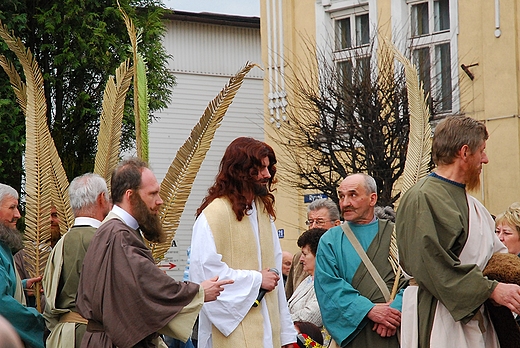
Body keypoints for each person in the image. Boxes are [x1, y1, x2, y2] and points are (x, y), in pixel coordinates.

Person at [76, 158, 232, 347]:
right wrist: (198, 292)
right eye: (153, 194)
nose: (160, 201)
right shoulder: (118, 235)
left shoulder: (115, 230)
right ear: (130, 195)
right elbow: (147, 287)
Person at [396, 115, 520, 348]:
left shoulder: (474, 205)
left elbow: (497, 260)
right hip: (440, 318)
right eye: (481, 151)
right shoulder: (423, 197)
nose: (486, 159)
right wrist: (491, 289)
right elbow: (433, 265)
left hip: (477, 316)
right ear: (464, 152)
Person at [190, 137, 297, 348]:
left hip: (270, 330)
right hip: (233, 334)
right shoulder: (214, 214)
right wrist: (257, 280)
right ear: (239, 171)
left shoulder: (263, 213)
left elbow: (274, 279)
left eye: (268, 168)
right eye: (259, 169)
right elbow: (207, 276)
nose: (267, 175)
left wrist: (287, 335)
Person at [314, 173, 405, 348]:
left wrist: (395, 311)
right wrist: (369, 310)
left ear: (372, 199)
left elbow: (416, 279)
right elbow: (328, 287)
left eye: (353, 195)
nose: (345, 202)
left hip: (397, 331)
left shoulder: (397, 235)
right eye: (341, 196)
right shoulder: (330, 240)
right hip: (356, 335)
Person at [43, 173, 111, 348]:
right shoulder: (106, 241)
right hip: (94, 338)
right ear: (102, 199)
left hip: (61, 337)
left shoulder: (61, 243)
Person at [0, 183, 45, 348]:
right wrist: (36, 319)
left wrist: (22, 285)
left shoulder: (3, 247)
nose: (18, 215)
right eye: (12, 207)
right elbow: (1, 303)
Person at [286, 198, 341, 300]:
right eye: (310, 222)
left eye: (319, 222)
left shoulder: (342, 256)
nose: (313, 227)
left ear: (336, 225)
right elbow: (288, 295)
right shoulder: (299, 258)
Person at [287, 228, 327, 327]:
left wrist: (282, 322)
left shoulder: (325, 283)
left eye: (305, 254)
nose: (301, 259)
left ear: (319, 255)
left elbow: (310, 317)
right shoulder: (308, 280)